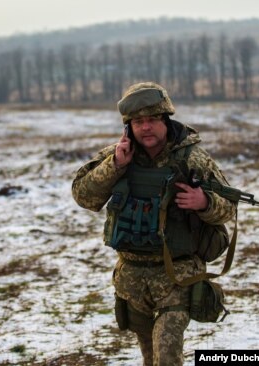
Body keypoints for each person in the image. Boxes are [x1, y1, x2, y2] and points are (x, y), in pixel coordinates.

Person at [71, 82, 236, 365]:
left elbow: (228, 208)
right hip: (132, 277)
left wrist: (204, 202)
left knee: (167, 352)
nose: (146, 127)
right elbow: (84, 196)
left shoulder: (192, 158)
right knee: (149, 355)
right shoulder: (119, 155)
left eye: (152, 120)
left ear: (165, 120)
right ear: (128, 126)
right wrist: (115, 166)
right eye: (138, 122)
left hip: (178, 274)